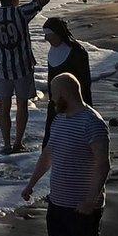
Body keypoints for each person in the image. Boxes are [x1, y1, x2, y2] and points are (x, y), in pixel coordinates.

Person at [21, 73, 118, 236]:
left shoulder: (92, 123)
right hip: (58, 204)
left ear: (65, 94)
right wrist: (31, 184)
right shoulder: (59, 120)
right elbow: (48, 155)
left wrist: (91, 199)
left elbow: (103, 164)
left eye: (54, 95)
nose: (52, 100)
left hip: (84, 207)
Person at [0, 0, 51, 152]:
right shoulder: (21, 13)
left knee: (4, 106)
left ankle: (6, 144)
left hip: (2, 68)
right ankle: (18, 143)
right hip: (23, 67)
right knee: (22, 105)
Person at [41, 17, 94, 145]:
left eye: (49, 36)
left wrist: (87, 107)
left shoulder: (77, 52)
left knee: (76, 138)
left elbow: (85, 83)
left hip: (76, 103)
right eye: (45, 36)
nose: (46, 39)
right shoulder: (52, 51)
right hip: (56, 103)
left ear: (59, 33)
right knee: (51, 139)